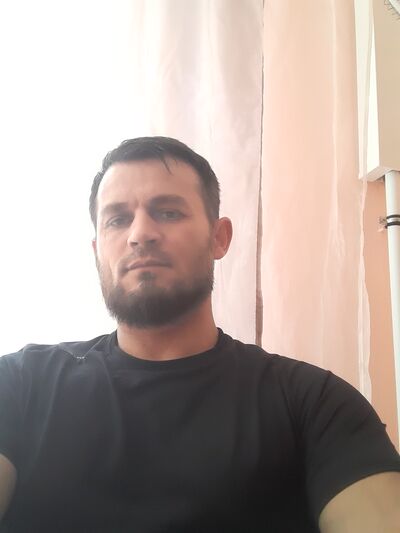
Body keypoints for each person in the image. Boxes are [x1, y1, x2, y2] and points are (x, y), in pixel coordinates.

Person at [0, 136, 399, 533]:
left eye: (168, 212)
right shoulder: (21, 385)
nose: (140, 234)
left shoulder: (316, 405)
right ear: (96, 251)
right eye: (117, 220)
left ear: (218, 238)